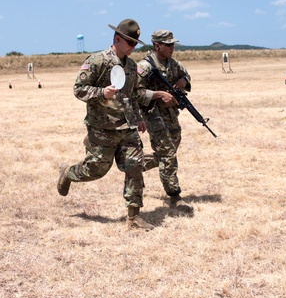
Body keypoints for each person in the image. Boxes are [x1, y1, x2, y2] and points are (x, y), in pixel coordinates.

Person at [57, 19, 173, 230]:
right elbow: (79, 89)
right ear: (117, 39)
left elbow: (134, 94)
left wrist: (138, 117)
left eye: (136, 44)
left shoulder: (131, 66)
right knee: (96, 170)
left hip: (127, 127)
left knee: (134, 166)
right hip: (102, 128)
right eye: (130, 43)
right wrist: (102, 93)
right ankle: (68, 173)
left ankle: (133, 217)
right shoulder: (97, 61)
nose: (133, 47)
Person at [136, 29, 191, 205]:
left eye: (173, 44)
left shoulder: (173, 63)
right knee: (168, 154)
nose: (172, 48)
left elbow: (185, 74)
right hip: (153, 115)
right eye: (168, 45)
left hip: (171, 114)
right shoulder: (144, 67)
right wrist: (158, 94)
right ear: (157, 45)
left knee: (169, 150)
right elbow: (135, 92)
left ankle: (134, 165)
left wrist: (184, 81)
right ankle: (174, 195)